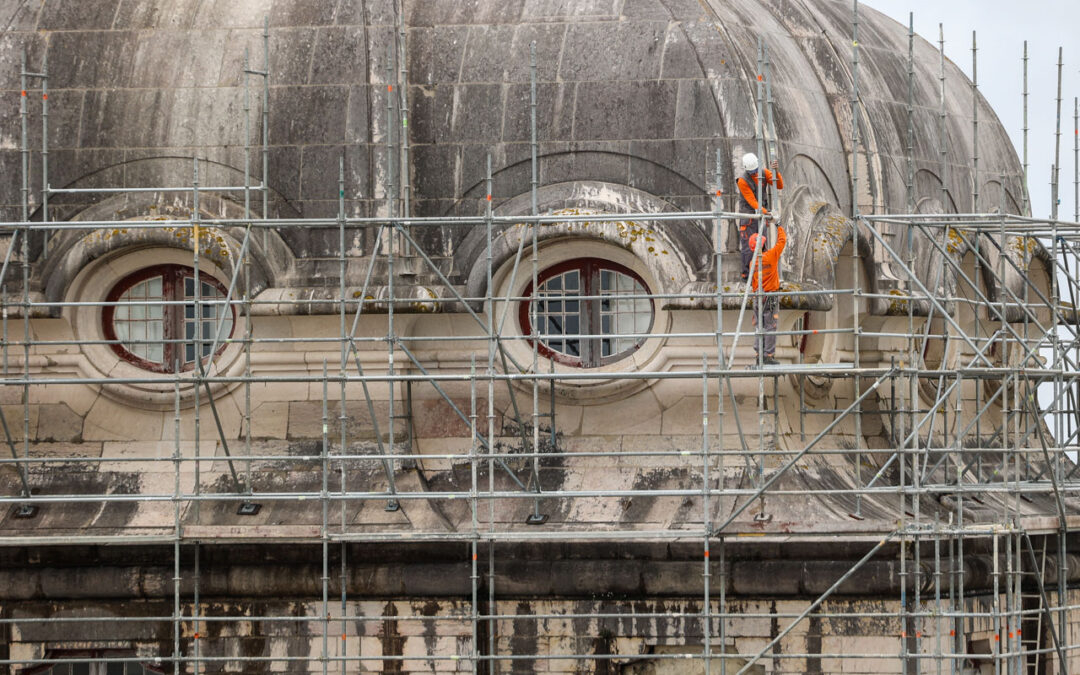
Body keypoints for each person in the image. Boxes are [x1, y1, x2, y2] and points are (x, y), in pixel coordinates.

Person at [736, 153, 783, 280]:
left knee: (762, 245)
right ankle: (747, 277)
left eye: (756, 171)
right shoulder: (742, 181)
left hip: (761, 216)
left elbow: (779, 185)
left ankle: (762, 275)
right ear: (746, 169)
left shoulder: (763, 172)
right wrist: (767, 213)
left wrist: (776, 172)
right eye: (752, 172)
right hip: (749, 218)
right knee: (748, 249)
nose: (755, 173)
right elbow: (752, 202)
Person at [748, 223, 786, 366]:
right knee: (770, 325)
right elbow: (782, 242)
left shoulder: (753, 263)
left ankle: (759, 355)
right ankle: (768, 356)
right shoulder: (771, 256)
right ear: (764, 245)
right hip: (769, 296)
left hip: (758, 297)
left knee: (759, 326)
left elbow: (754, 282)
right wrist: (779, 226)